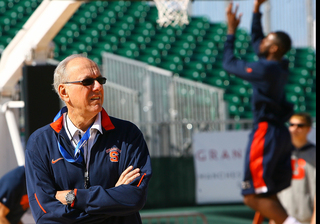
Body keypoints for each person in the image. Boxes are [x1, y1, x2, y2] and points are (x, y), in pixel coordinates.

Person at [24, 54, 152, 223]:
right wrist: (112, 201)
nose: (98, 86)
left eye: (100, 80)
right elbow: (45, 213)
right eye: (87, 82)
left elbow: (133, 197)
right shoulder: (40, 142)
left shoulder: (128, 134)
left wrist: (73, 197)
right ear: (64, 92)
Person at [223, 0, 299, 223]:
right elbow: (258, 43)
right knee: (267, 193)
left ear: (274, 48)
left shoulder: (266, 69)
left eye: (267, 40)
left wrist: (231, 31)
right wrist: (256, 11)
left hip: (266, 132)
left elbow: (229, 64)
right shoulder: (279, 65)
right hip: (279, 134)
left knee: (251, 196)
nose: (261, 41)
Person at [270, 113, 316, 224]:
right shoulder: (280, 153)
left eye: (300, 125)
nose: (295, 128)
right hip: (283, 217)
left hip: (306, 218)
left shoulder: (313, 154)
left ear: (308, 129)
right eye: (292, 125)